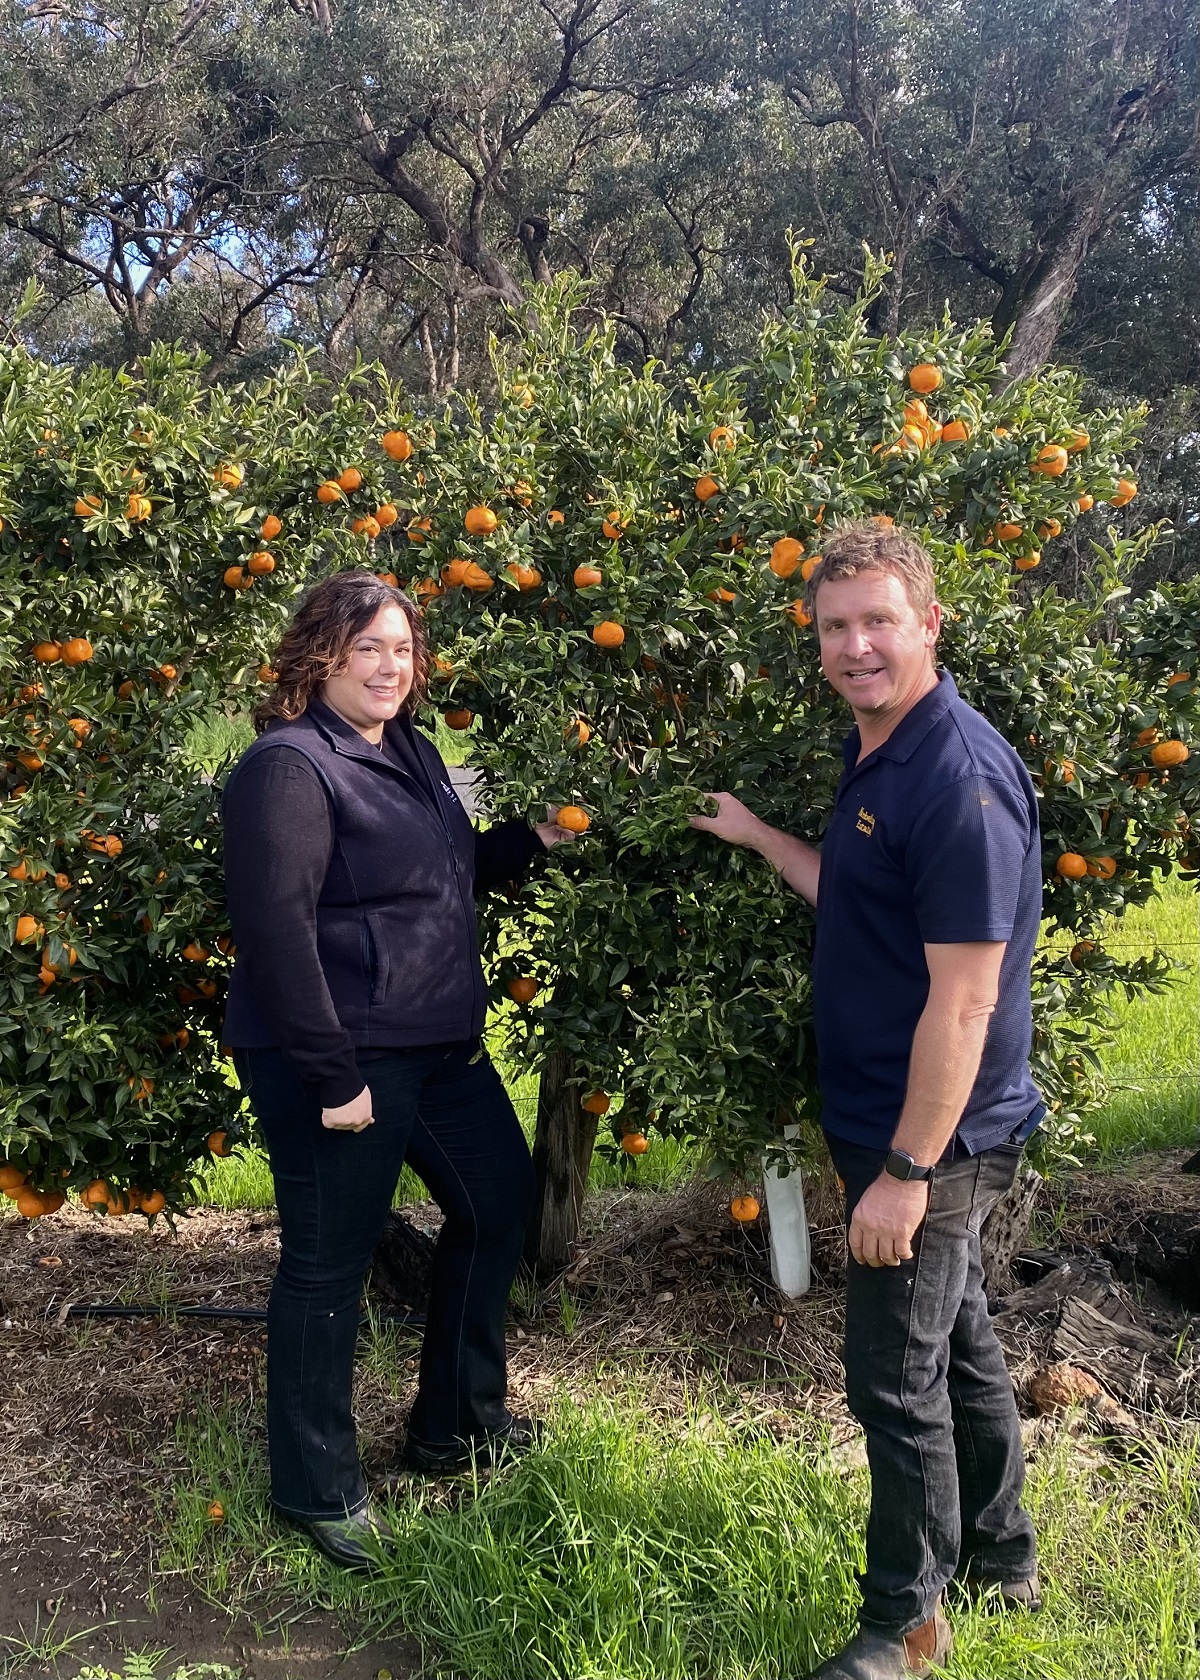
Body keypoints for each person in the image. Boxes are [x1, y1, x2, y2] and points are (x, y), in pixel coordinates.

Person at [691, 522, 1042, 1680]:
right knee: (964, 1348)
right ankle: (1003, 1558)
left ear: (929, 623)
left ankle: (904, 1625)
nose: (855, 646)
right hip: (892, 1124)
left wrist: (903, 1174)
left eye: (878, 621)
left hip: (930, 1139)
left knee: (892, 1381)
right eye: (835, 627)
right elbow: (859, 893)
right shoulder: (885, 750)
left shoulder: (959, 777)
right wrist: (755, 837)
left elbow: (965, 1002)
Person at [221, 569, 573, 1570]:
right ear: (319, 656)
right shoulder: (290, 769)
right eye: (367, 646)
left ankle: (455, 1426)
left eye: (402, 648)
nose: (388, 665)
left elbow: (448, 868)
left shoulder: (408, 749)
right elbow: (278, 934)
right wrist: (333, 1081)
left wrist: (539, 838)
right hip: (337, 1054)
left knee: (498, 1207)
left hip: (436, 1044)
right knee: (327, 1265)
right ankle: (315, 1489)